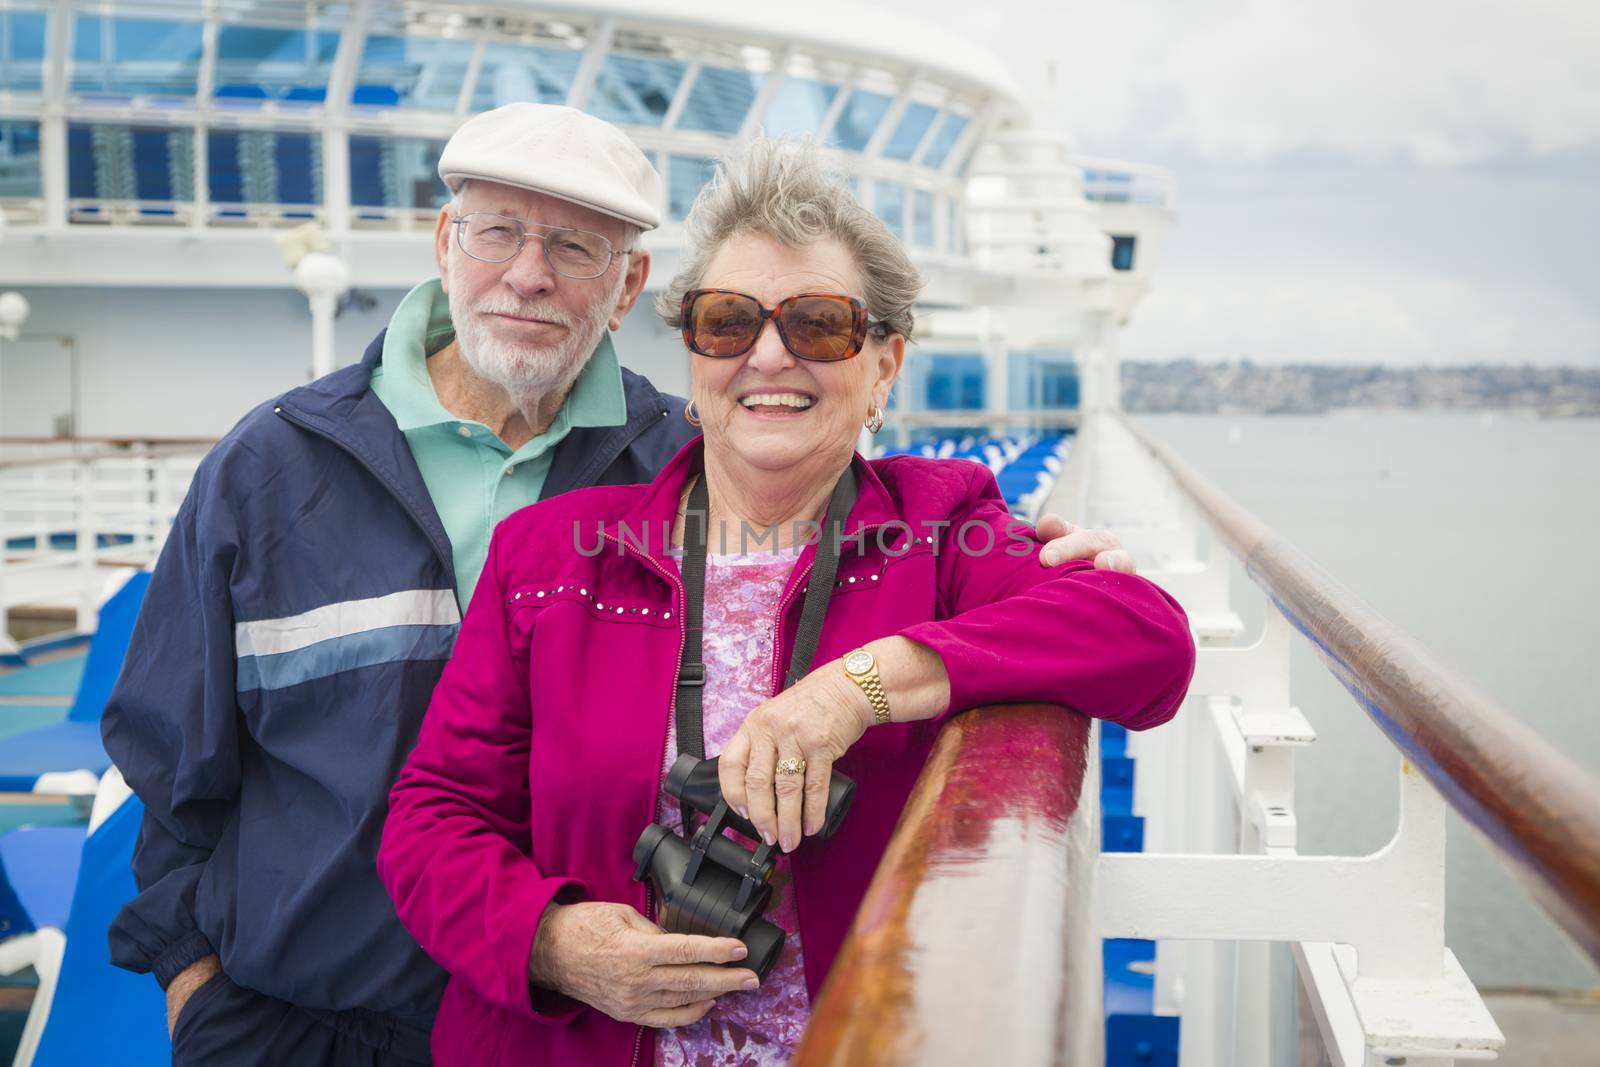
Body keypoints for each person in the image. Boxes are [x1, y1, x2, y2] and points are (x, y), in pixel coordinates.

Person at [100, 106, 1133, 1065]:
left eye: (576, 247)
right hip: (299, 1013)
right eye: (499, 231)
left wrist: (961, 620)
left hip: (547, 1014)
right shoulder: (273, 466)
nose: (531, 275)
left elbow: (1120, 626)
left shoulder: (683, 456)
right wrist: (194, 986)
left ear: (630, 284)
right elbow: (170, 758)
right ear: (444, 245)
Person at [377, 141, 1196, 1067]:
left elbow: (1148, 640)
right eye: (728, 320)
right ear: (693, 354)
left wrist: (862, 685)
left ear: (883, 365)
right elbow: (432, 816)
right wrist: (552, 942)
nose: (768, 353)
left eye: (817, 323)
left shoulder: (942, 524)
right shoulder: (557, 551)